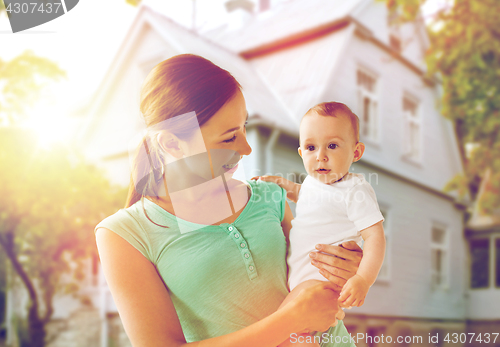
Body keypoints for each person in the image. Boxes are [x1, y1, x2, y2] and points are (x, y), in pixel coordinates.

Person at [94, 54, 363, 347]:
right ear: (171, 143)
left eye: (243, 127)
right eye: (228, 138)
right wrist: (291, 321)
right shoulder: (125, 234)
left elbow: (314, 286)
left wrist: (343, 268)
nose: (246, 148)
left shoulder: (268, 196)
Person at [254, 102, 386, 347]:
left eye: (332, 145)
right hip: (299, 285)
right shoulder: (314, 184)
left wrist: (363, 279)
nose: (320, 156)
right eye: (311, 147)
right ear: (302, 153)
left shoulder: (355, 190)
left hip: (321, 285)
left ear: (356, 152)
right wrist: (283, 185)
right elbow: (304, 194)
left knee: (292, 337)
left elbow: (375, 237)